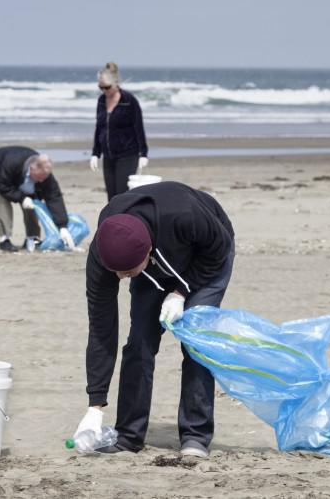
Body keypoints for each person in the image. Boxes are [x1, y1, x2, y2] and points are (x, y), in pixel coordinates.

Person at [75, 181, 235, 457]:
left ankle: (195, 437)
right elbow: (102, 328)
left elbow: (217, 250)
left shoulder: (185, 215)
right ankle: (128, 436)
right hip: (153, 269)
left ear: (147, 253)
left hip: (207, 256)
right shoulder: (104, 252)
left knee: (195, 343)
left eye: (126, 272)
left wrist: (181, 292)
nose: (119, 278)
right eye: (116, 272)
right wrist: (95, 406)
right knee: (139, 342)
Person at [0, 145, 74, 252]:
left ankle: (32, 238)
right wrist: (22, 198)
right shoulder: (12, 163)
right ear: (32, 168)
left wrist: (62, 226)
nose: (41, 181)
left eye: (44, 177)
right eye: (40, 177)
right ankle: (4, 239)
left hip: (19, 176)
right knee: (3, 200)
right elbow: (3, 187)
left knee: (33, 203)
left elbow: (54, 197)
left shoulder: (45, 175)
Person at [89, 62, 150, 200]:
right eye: (101, 87)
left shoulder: (129, 101)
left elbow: (138, 127)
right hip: (108, 156)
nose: (104, 91)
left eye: (107, 87)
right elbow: (99, 127)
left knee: (121, 195)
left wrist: (143, 153)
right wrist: (95, 153)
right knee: (111, 197)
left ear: (116, 83)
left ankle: (123, 221)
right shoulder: (101, 101)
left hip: (127, 154)